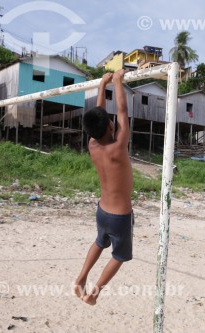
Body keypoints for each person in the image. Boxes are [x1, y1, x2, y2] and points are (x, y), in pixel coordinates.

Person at [74, 69, 134, 306]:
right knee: (119, 256)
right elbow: (122, 111)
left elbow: (105, 114)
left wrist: (102, 86)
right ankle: (94, 293)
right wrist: (117, 82)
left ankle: (80, 278)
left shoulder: (92, 144)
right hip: (120, 216)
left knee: (100, 242)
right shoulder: (118, 147)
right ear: (111, 126)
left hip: (102, 211)